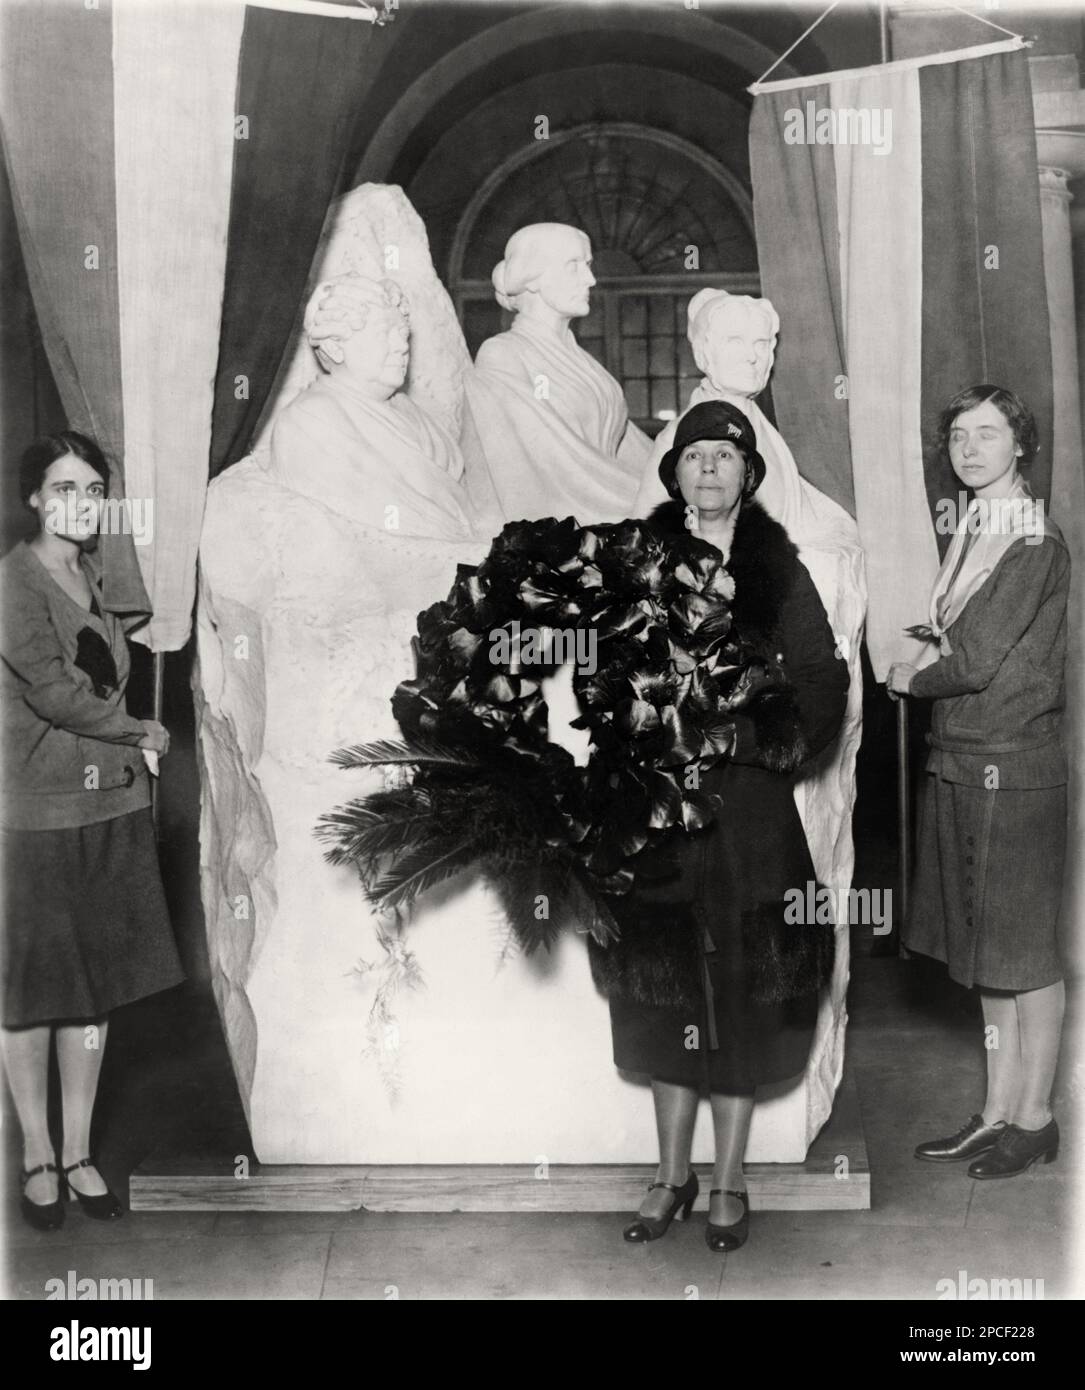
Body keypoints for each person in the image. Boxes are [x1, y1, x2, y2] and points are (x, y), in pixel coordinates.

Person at [588, 400, 849, 1250]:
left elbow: (820, 677)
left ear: (747, 475)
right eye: (692, 456)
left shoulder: (780, 574)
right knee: (660, 983)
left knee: (740, 987)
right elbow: (602, 671)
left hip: (747, 816)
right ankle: (671, 1176)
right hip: (659, 813)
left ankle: (729, 1180)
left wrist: (753, 737)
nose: (707, 469)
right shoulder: (638, 565)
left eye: (723, 457)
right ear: (673, 475)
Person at [1, 431, 184, 1230]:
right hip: (37, 809)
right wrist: (142, 729)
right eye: (63, 488)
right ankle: (36, 1155)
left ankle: (79, 1153)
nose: (80, 503)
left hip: (108, 801)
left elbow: (108, 665)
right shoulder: (13, 581)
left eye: (92, 488)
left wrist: (134, 742)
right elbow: (53, 693)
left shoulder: (97, 573)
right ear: (35, 498)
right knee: (33, 993)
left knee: (93, 991)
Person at [888, 385, 1069, 1179]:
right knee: (985, 951)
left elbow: (981, 658)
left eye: (987, 434)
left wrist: (911, 679)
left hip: (1013, 766)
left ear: (1018, 446)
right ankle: (995, 1109)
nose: (968, 449)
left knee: (1025, 956)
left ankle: (1034, 1119)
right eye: (958, 436)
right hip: (963, 756)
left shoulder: (1029, 540)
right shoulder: (976, 526)